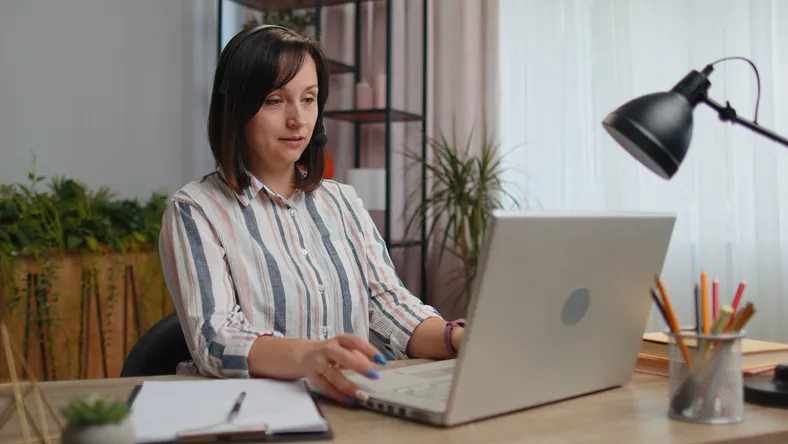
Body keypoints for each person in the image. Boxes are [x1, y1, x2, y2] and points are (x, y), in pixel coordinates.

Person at [158, 25, 465, 406]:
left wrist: (457, 338)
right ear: (237, 107)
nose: (298, 119)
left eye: (308, 99)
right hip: (247, 411)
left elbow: (388, 306)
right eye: (274, 100)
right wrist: (308, 357)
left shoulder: (343, 202)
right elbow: (215, 337)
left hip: (346, 403)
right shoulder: (196, 210)